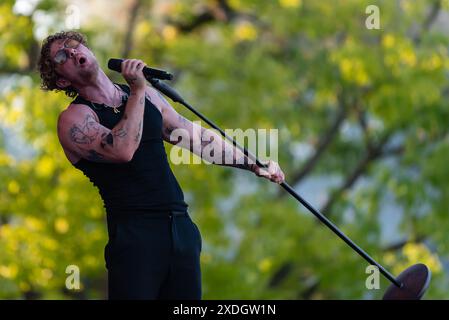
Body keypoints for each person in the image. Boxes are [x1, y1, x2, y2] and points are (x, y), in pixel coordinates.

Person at [38, 30, 285, 299]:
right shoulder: (74, 119)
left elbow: (195, 137)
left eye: (73, 46)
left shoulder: (145, 96)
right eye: (62, 55)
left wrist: (253, 163)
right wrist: (138, 90)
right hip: (135, 236)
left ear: (89, 50)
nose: (73, 52)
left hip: (180, 227)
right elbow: (123, 150)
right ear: (62, 80)